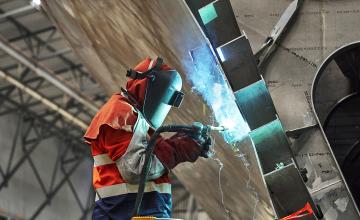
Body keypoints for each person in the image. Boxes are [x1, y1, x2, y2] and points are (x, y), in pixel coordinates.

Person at [84, 57, 211, 219]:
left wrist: (185, 141)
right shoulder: (120, 112)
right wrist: (178, 149)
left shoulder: (140, 122)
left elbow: (155, 155)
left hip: (145, 215)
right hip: (122, 215)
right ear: (149, 86)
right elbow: (135, 169)